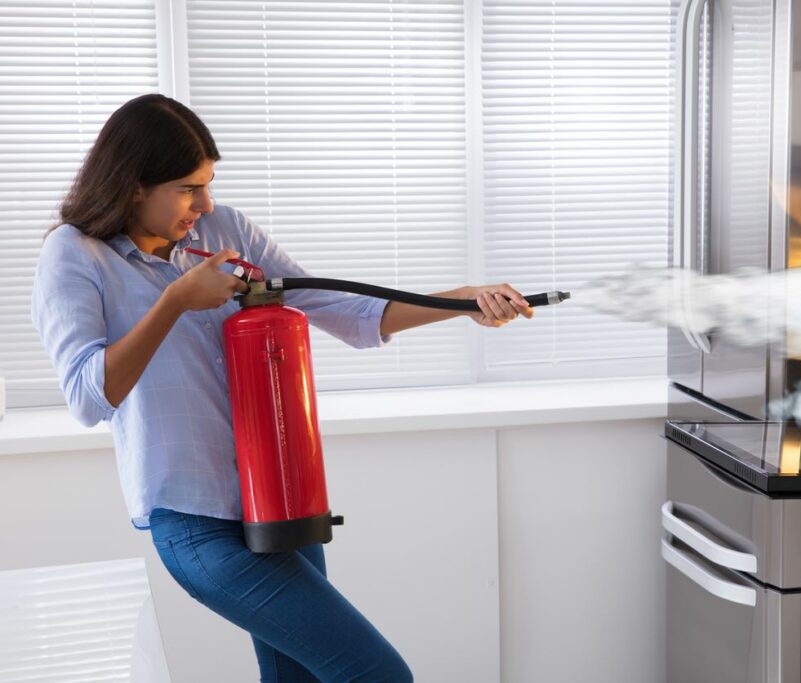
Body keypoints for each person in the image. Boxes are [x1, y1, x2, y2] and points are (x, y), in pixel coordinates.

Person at [31, 93, 534, 682]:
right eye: (189, 188)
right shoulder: (75, 255)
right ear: (136, 184)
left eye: (209, 183)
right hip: (196, 523)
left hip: (281, 502)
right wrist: (174, 301)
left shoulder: (223, 230)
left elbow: (340, 309)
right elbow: (89, 397)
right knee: (376, 673)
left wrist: (461, 302)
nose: (207, 202)